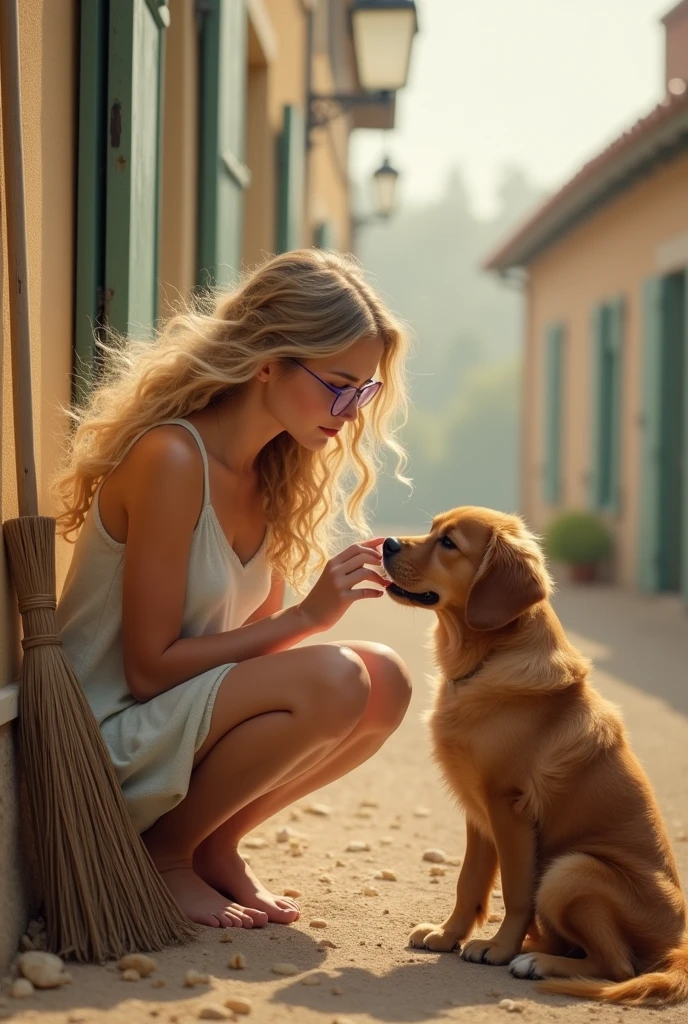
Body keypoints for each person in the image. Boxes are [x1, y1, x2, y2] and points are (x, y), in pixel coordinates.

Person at [55, 249, 412, 930]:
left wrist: (306, 618)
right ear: (269, 361)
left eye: (362, 393)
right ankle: (162, 858)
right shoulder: (173, 458)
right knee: (337, 678)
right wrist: (309, 614)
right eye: (339, 384)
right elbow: (149, 668)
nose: (350, 411)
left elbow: (248, 663)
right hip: (104, 736)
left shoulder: (275, 476)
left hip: (176, 728)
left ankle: (210, 843)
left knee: (385, 681)